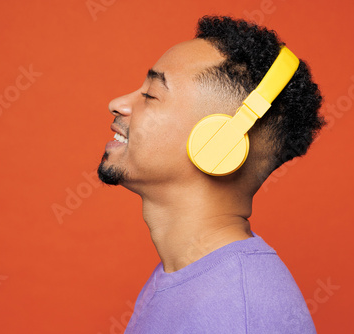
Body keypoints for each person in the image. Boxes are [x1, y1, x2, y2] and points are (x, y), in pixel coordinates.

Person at [97, 15, 324, 333]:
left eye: (151, 95)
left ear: (219, 142)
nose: (117, 103)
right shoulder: (185, 276)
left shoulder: (242, 315)